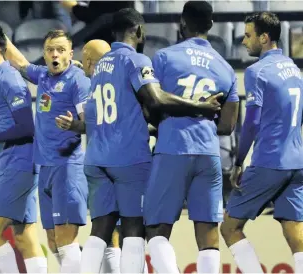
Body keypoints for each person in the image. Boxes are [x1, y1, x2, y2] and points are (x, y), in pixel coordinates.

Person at [73, 8, 223, 273]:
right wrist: (200, 107)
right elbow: (156, 98)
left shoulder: (99, 68)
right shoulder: (136, 60)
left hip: (96, 157)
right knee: (133, 229)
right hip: (128, 158)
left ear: (113, 33)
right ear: (139, 31)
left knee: (100, 231)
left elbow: (102, 114)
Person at [0, 22, 90, 273]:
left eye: (61, 50)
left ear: (70, 54)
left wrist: (74, 125)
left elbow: (89, 124)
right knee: (53, 240)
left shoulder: (78, 81)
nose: (55, 55)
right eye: (50, 50)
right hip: (45, 168)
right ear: (44, 54)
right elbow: (20, 63)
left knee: (66, 241)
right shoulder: (42, 75)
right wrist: (1, 36)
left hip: (68, 168)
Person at [144, 2, 240, 273]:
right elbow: (227, 126)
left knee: (156, 229)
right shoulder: (226, 68)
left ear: (182, 24)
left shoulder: (164, 57)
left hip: (173, 148)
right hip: (209, 153)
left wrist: (161, 124)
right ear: (210, 25)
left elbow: (151, 106)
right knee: (208, 232)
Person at [220, 12, 303, 273]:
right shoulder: (295, 69)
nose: (244, 42)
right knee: (294, 230)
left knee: (230, 227)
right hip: (297, 161)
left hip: (269, 161)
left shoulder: (258, 71)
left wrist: (238, 161)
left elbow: (252, 123)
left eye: (248, 35)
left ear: (264, 38)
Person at [0, 26, 47, 273]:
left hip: (20, 163)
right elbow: (4, 116)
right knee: (24, 236)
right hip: (16, 161)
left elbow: (26, 127)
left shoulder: (9, 78)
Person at [56, 39, 122, 274]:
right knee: (110, 232)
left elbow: (91, 124)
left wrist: (75, 125)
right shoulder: (108, 81)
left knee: (113, 233)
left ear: (91, 61)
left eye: (85, 58)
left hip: (112, 166)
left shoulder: (101, 86)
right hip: (108, 165)